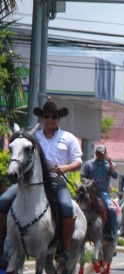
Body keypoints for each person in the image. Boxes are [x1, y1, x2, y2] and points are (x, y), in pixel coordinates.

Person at [0, 100, 82, 263]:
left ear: (59, 118)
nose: (50, 119)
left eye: (54, 116)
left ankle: (64, 248)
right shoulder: (33, 137)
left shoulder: (68, 138)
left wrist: (65, 168)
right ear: (42, 118)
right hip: (28, 182)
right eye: (47, 116)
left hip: (56, 181)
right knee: (3, 200)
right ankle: (2, 239)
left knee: (66, 207)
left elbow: (78, 161)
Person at [81, 144, 119, 241]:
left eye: (101, 153)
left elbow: (115, 175)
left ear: (105, 154)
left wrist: (110, 162)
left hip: (103, 192)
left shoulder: (110, 165)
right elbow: (82, 177)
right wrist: (88, 182)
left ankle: (111, 232)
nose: (99, 155)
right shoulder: (89, 164)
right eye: (97, 153)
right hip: (89, 191)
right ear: (95, 153)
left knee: (112, 209)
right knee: (78, 205)